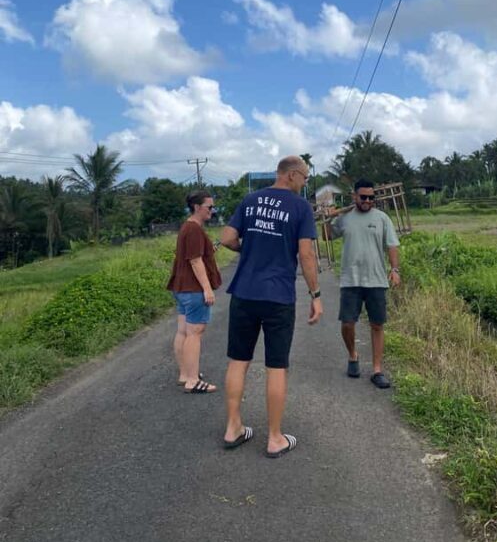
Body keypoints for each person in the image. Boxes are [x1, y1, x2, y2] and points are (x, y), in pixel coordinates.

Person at [220, 156, 322, 457]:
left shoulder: (250, 200)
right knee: (276, 366)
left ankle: (233, 428)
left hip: (244, 292)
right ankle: (275, 438)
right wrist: (316, 294)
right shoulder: (300, 207)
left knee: (238, 361)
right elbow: (306, 255)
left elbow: (227, 238)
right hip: (278, 296)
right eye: (304, 177)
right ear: (291, 175)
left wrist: (248, 248)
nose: (305, 183)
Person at [326, 178, 400, 389]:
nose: (367, 201)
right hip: (351, 280)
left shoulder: (382, 218)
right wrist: (329, 218)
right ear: (354, 196)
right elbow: (328, 236)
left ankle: (377, 370)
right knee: (347, 323)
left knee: (377, 324)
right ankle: (353, 355)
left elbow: (392, 245)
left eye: (371, 197)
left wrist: (395, 270)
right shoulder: (345, 218)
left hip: (376, 280)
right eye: (363, 197)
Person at [167, 190, 221, 394]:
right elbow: (195, 261)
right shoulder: (194, 229)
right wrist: (207, 289)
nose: (212, 210)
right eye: (209, 207)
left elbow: (194, 254)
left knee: (183, 331)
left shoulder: (187, 227)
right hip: (193, 289)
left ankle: (185, 374)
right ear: (197, 207)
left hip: (182, 287)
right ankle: (192, 380)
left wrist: (209, 249)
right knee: (195, 333)